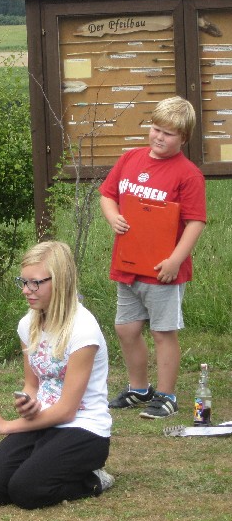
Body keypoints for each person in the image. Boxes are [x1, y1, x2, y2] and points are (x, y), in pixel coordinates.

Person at [0, 241, 113, 510]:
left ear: (60, 282)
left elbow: (66, 412)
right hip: (43, 422)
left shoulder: (83, 331)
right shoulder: (28, 324)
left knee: (27, 491)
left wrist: (6, 425)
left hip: (83, 429)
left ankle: (93, 479)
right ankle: (44, 461)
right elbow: (32, 383)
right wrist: (27, 400)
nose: (26, 291)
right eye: (23, 282)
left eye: (35, 283)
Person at [99, 96, 206, 419]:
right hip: (128, 265)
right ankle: (139, 388)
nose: (159, 137)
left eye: (169, 134)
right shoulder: (130, 158)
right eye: (156, 129)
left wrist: (175, 260)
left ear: (183, 138)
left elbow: (195, 222)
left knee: (163, 332)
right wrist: (112, 216)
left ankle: (167, 395)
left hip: (162, 271)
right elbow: (108, 194)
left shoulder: (188, 174)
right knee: (126, 330)